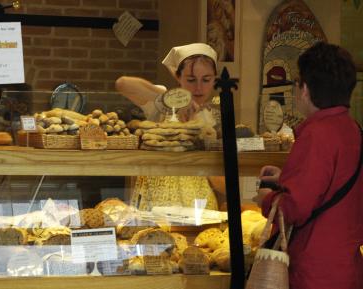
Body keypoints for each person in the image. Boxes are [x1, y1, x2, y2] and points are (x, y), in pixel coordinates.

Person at [253, 42, 363, 289]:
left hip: (313, 271)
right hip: (347, 266)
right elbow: (334, 186)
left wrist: (266, 200)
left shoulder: (316, 134)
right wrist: (286, 178)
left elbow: (293, 208)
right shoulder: (353, 129)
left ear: (304, 89)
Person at [115, 43, 226, 211]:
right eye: (190, 79)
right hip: (155, 207)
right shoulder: (161, 105)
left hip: (200, 210)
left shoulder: (214, 117)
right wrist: (173, 100)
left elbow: (223, 185)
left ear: (214, 79)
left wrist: (204, 161)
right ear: (178, 77)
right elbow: (122, 84)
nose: (198, 87)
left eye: (206, 79)